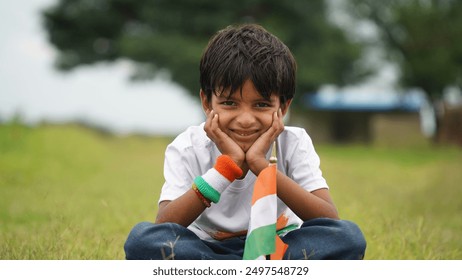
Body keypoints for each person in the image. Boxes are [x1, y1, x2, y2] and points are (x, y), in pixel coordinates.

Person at [124, 23, 366, 260]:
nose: (246, 120)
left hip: (278, 248)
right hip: (207, 250)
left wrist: (262, 167)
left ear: (282, 107)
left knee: (348, 237)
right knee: (142, 240)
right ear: (207, 103)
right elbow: (165, 224)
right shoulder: (187, 146)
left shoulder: (294, 142)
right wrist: (226, 168)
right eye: (230, 103)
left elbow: (329, 219)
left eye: (261, 104)